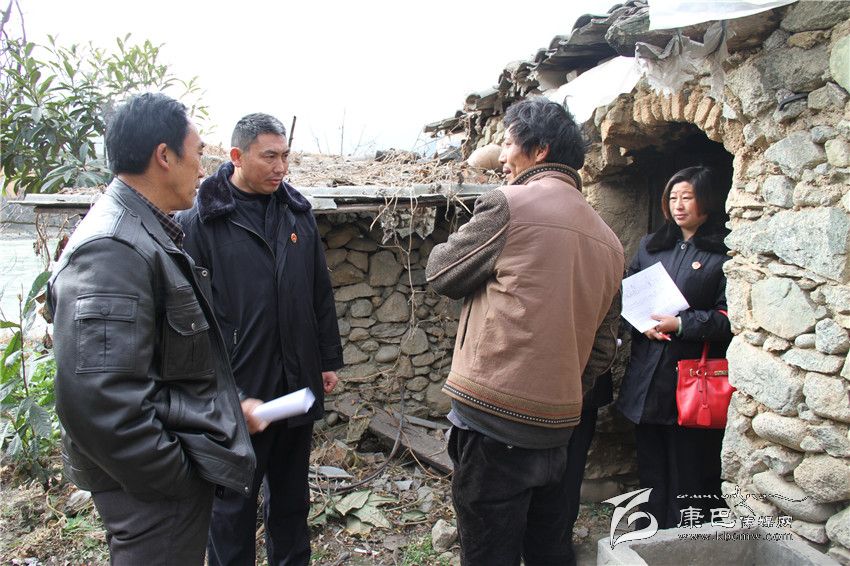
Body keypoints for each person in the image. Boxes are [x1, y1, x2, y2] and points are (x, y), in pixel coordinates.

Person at [48, 92, 256, 565]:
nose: (203, 168)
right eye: (198, 152)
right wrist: (176, 475)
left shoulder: (147, 233)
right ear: (165, 156)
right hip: (152, 494)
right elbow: (100, 401)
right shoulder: (113, 248)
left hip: (155, 484)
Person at [425, 97, 624, 565]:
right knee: (548, 548)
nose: (503, 158)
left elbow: (441, 272)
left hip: (492, 423)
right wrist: (562, 392)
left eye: (509, 144)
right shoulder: (611, 241)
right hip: (560, 428)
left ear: (540, 150)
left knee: (489, 552)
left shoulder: (508, 204)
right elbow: (603, 347)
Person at [176, 113, 342, 565]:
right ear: (237, 156)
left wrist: (326, 359)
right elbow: (190, 315)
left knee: (291, 501)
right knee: (232, 508)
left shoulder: (297, 213)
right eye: (269, 156)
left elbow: (318, 291)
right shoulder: (201, 221)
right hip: (239, 390)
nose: (280, 167)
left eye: (285, 156)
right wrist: (212, 391)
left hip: (295, 380)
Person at [617, 165, 732, 529]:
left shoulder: (724, 253)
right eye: (673, 197)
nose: (678, 205)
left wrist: (682, 324)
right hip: (648, 373)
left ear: (707, 202)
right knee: (650, 462)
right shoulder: (651, 245)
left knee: (689, 465)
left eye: (688, 197)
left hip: (690, 379)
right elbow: (628, 294)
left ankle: (684, 537)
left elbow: (728, 317)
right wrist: (643, 323)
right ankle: (649, 531)